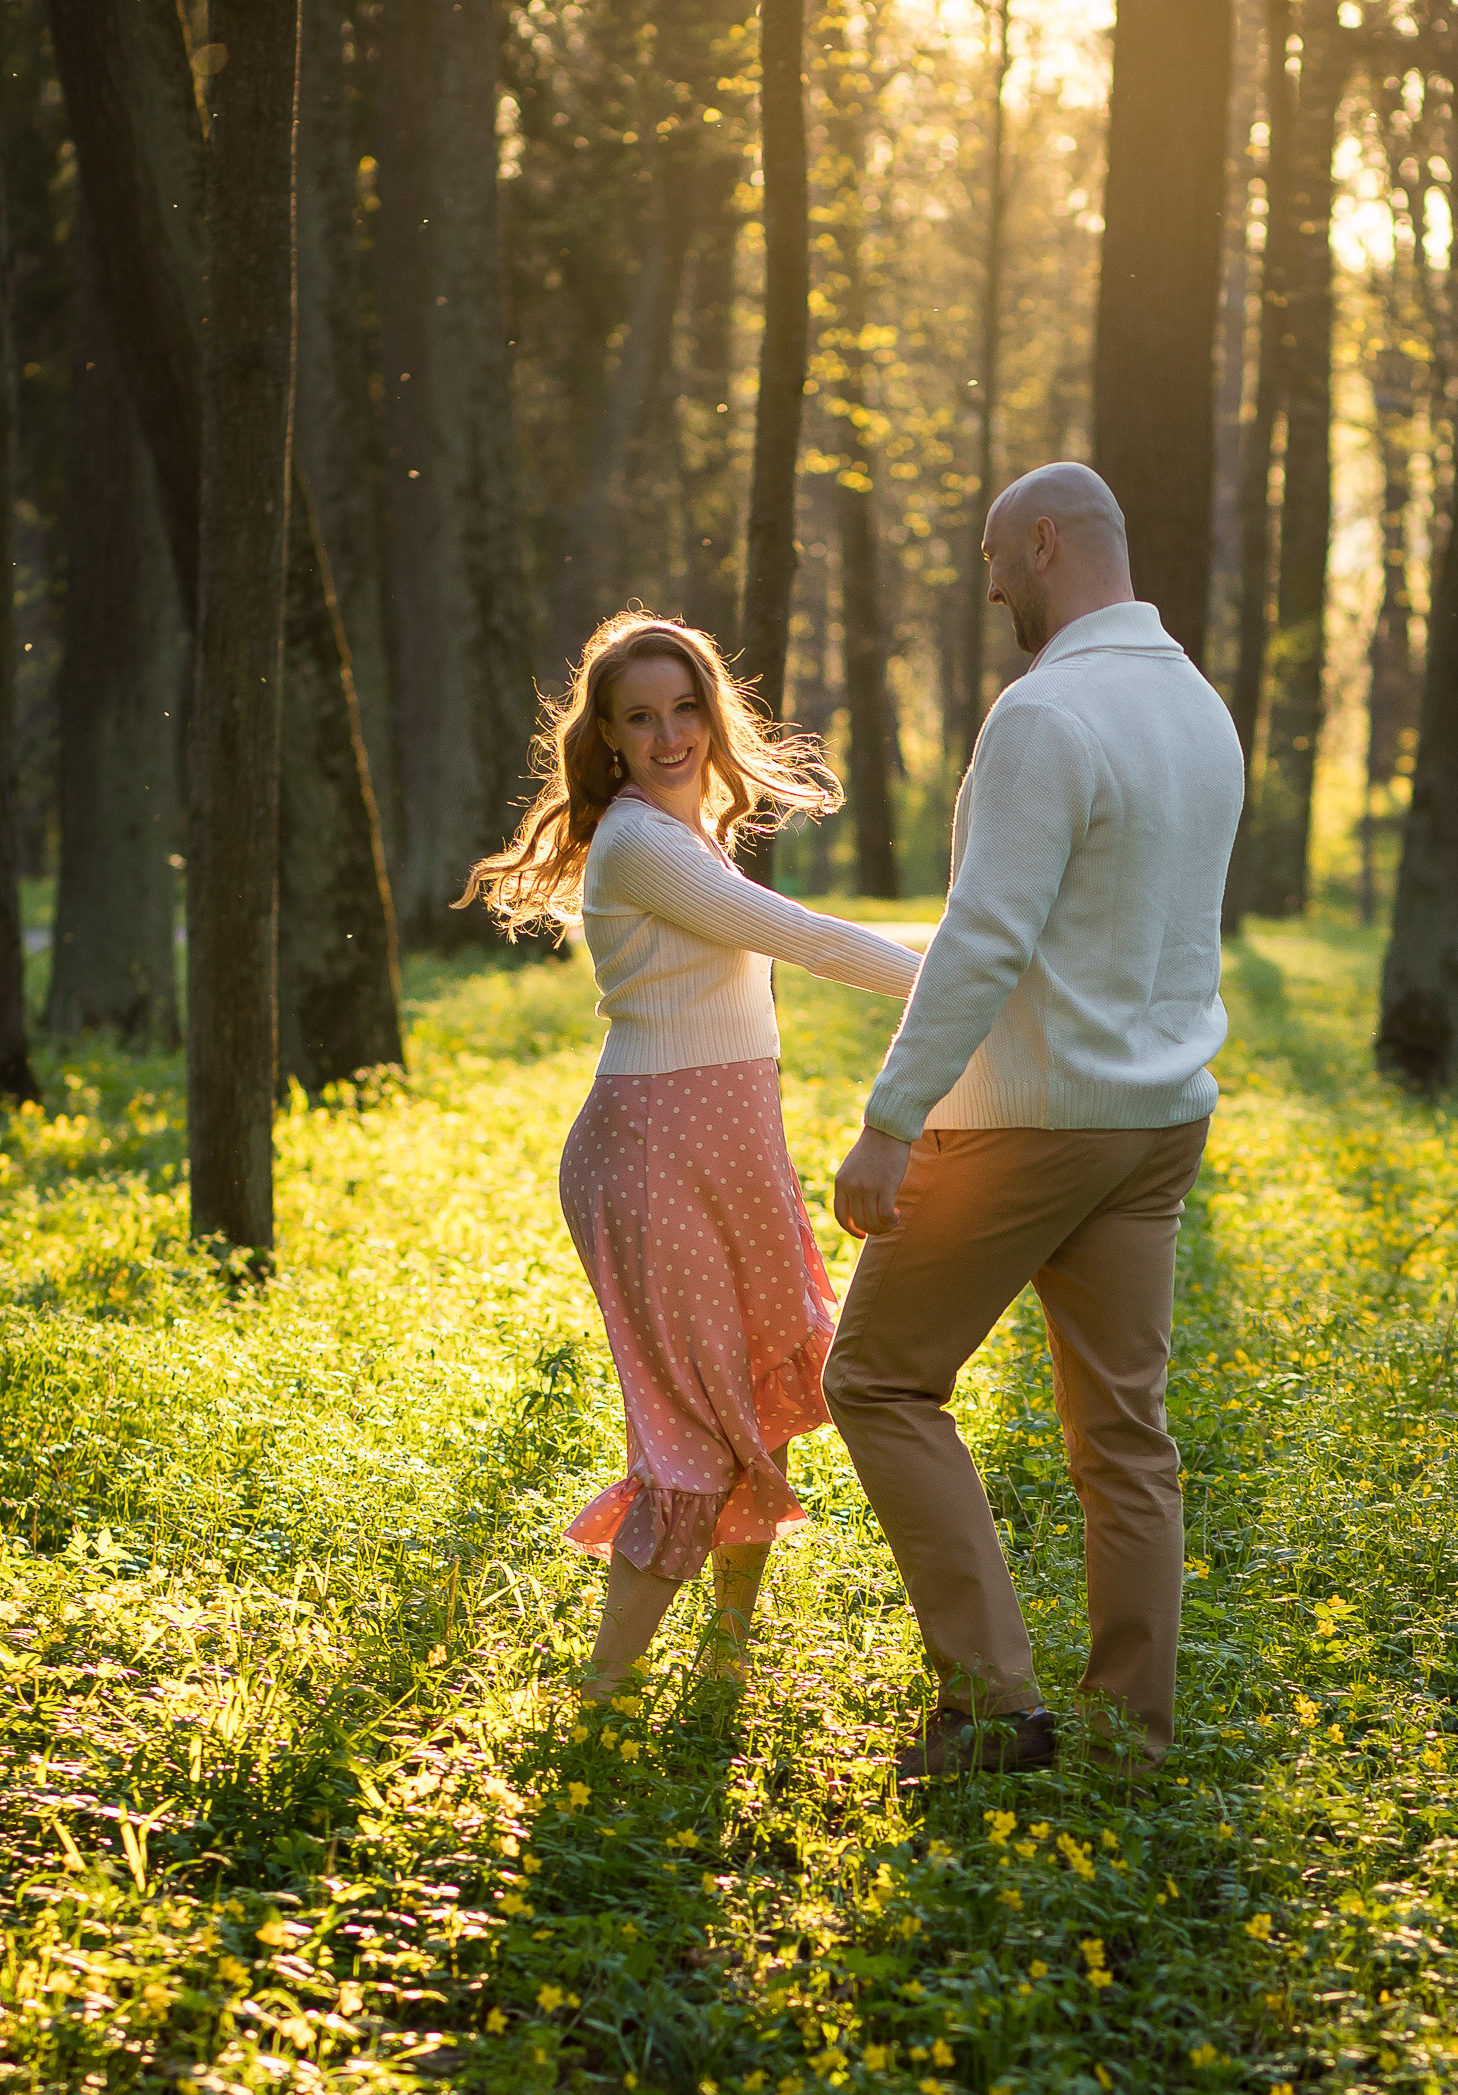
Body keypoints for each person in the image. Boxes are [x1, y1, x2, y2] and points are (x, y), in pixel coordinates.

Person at [825, 465, 1245, 1788]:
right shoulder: (1198, 706)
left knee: (878, 1380)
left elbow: (985, 937)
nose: (992, 583)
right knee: (1126, 1438)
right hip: (1157, 1123)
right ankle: (1127, 1741)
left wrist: (891, 1120)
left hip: (1031, 1123)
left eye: (996, 555)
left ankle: (990, 1705)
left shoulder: (1047, 711)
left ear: (1047, 542)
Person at [464, 611, 921, 1704]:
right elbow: (807, 938)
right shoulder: (642, 843)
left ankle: (727, 1655)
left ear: (712, 715)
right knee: (692, 1428)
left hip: (732, 1146)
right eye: (641, 718)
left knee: (756, 1398)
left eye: (684, 710)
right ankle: (603, 1694)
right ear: (609, 736)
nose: (669, 736)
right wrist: (978, 978)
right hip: (655, 1151)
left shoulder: (691, 831)